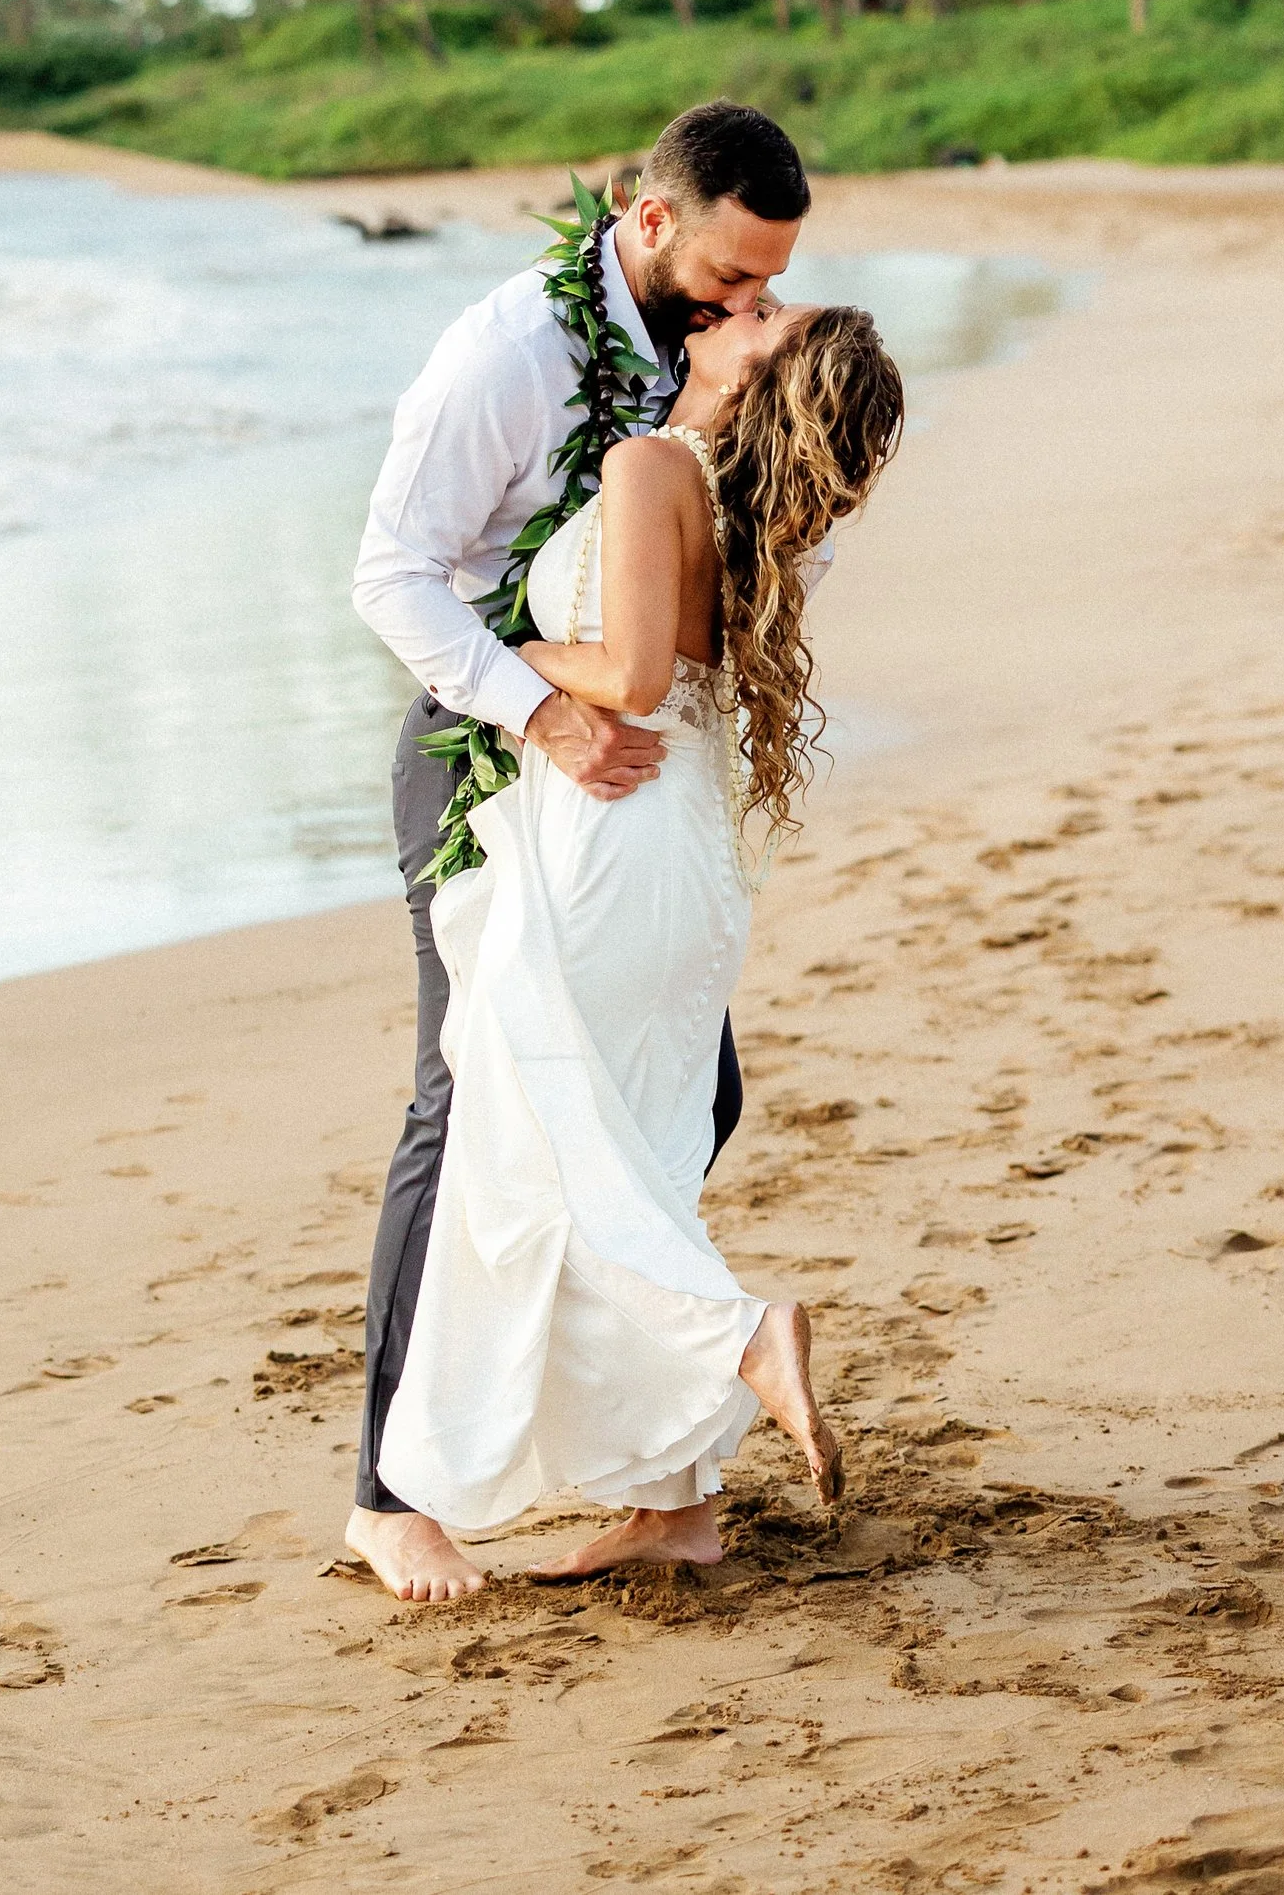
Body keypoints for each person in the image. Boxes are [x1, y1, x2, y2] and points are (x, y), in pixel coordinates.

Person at [345, 99, 815, 1606]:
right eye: (732, 277)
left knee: (690, 1086)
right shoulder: (509, 353)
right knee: (466, 1088)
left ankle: (644, 1458)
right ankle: (390, 1492)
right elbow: (393, 576)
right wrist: (538, 705)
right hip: (487, 751)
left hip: (617, 779)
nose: (748, 306)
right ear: (649, 214)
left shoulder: (692, 367)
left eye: (771, 283)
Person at [373, 293, 903, 1573]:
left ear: (749, 372)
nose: (731, 309)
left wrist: (516, 649)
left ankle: (736, 1337)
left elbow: (634, 677)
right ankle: (678, 1509)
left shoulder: (650, 464)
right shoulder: (758, 505)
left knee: (541, 1134)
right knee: (634, 1141)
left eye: (759, 314)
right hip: (685, 846)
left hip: (616, 831)